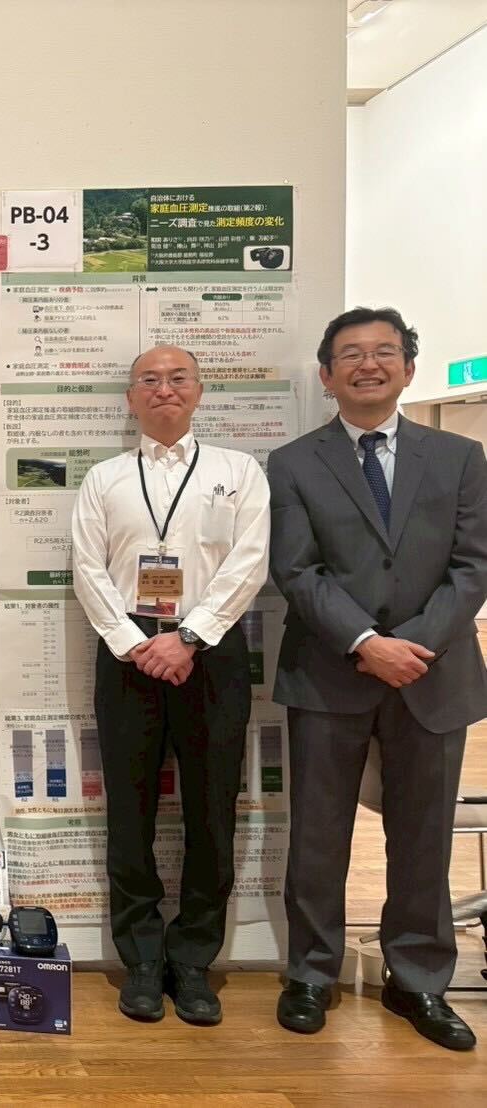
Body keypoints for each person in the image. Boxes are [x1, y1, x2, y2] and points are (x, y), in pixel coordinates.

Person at [270, 307, 487, 1051]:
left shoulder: (459, 457)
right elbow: (296, 569)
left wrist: (410, 647)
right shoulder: (293, 463)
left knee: (423, 837)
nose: (369, 365)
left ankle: (418, 979)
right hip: (330, 671)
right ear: (326, 375)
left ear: (408, 369)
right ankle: (310, 973)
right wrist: (366, 642)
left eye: (384, 352)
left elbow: (473, 565)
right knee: (318, 835)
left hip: (434, 674)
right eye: (352, 355)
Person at [70, 345, 269, 1026]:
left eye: (177, 378)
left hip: (210, 653)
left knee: (211, 810)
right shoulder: (103, 478)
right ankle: (142, 961)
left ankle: (193, 961)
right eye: (148, 381)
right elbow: (88, 568)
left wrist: (188, 638)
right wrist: (135, 643)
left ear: (198, 391)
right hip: (127, 653)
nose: (164, 389)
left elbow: (249, 562)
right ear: (131, 398)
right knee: (129, 813)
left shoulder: (237, 472)